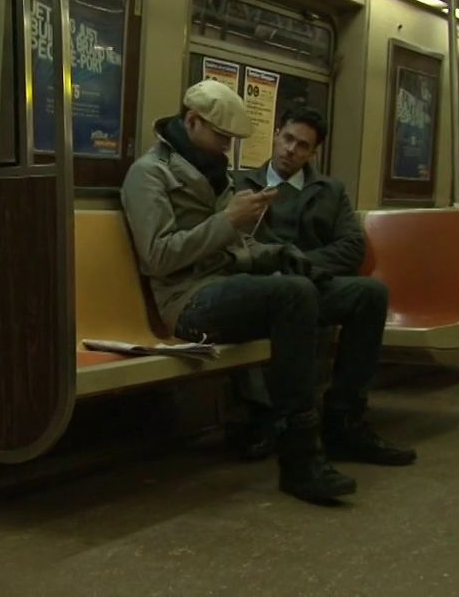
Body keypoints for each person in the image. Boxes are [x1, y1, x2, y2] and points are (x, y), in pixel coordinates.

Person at [121, 80, 357, 504]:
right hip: (184, 302)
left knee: (308, 288)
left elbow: (235, 251)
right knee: (293, 296)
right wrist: (228, 221)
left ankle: (312, 430)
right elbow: (157, 257)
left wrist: (279, 254)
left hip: (222, 287)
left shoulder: (214, 175)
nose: (227, 149)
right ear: (192, 121)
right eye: (222, 137)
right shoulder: (148, 175)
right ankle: (300, 456)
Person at [230, 105, 416, 468]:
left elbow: (351, 247)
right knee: (273, 297)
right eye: (287, 139)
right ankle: (260, 417)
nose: (290, 150)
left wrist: (299, 265)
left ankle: (345, 418)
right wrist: (278, 268)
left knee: (371, 295)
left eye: (302, 146)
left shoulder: (330, 191)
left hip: (312, 284)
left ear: (313, 153)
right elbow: (236, 242)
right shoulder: (242, 185)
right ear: (275, 134)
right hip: (263, 287)